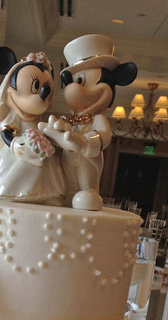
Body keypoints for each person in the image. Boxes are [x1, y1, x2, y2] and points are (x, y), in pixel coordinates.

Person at [39, 35, 137, 211]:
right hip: (68, 161)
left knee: (85, 179)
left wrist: (83, 142)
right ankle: (66, 195)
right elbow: (68, 132)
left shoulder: (97, 119)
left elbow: (103, 137)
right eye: (77, 81)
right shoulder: (73, 121)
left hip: (87, 159)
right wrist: (60, 130)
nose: (77, 88)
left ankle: (88, 192)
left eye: (84, 81)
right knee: (66, 179)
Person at [0, 47, 65, 205]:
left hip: (41, 155)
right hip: (18, 153)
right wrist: (15, 144)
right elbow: (6, 130)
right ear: (10, 91)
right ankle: (13, 192)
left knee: (46, 173)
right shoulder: (13, 117)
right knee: (17, 176)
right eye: (36, 87)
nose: (42, 95)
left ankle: (45, 195)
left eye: (46, 91)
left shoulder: (40, 122)